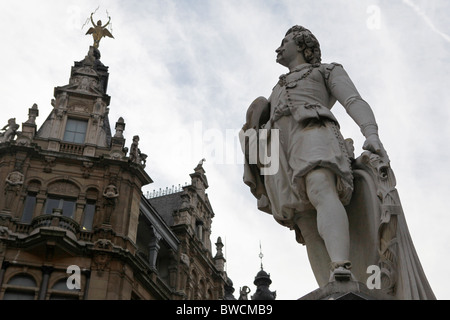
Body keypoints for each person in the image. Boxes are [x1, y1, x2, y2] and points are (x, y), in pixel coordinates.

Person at [241, 25, 388, 286]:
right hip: (278, 150)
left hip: (313, 131)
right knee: (303, 218)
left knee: (320, 187)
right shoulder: (276, 88)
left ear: (302, 45)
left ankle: (342, 265)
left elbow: (353, 100)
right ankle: (327, 285)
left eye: (284, 41)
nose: (279, 47)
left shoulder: (326, 70)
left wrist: (371, 133)